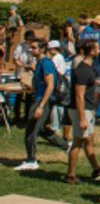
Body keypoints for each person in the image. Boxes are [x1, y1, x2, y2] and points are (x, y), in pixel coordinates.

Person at [15, 40, 69, 171]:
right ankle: (67, 146)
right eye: (30, 48)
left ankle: (31, 160)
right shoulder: (39, 63)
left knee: (31, 130)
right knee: (43, 130)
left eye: (33, 47)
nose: (30, 50)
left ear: (42, 48)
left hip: (42, 101)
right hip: (39, 99)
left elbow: (50, 85)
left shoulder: (46, 63)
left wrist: (41, 106)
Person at [65, 40, 100, 184]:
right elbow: (79, 96)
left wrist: (94, 83)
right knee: (78, 141)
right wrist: (82, 118)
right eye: (97, 48)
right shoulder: (83, 70)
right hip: (82, 111)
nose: (99, 50)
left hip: (87, 110)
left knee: (88, 139)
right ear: (91, 51)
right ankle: (71, 175)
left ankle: (97, 169)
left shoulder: (87, 68)